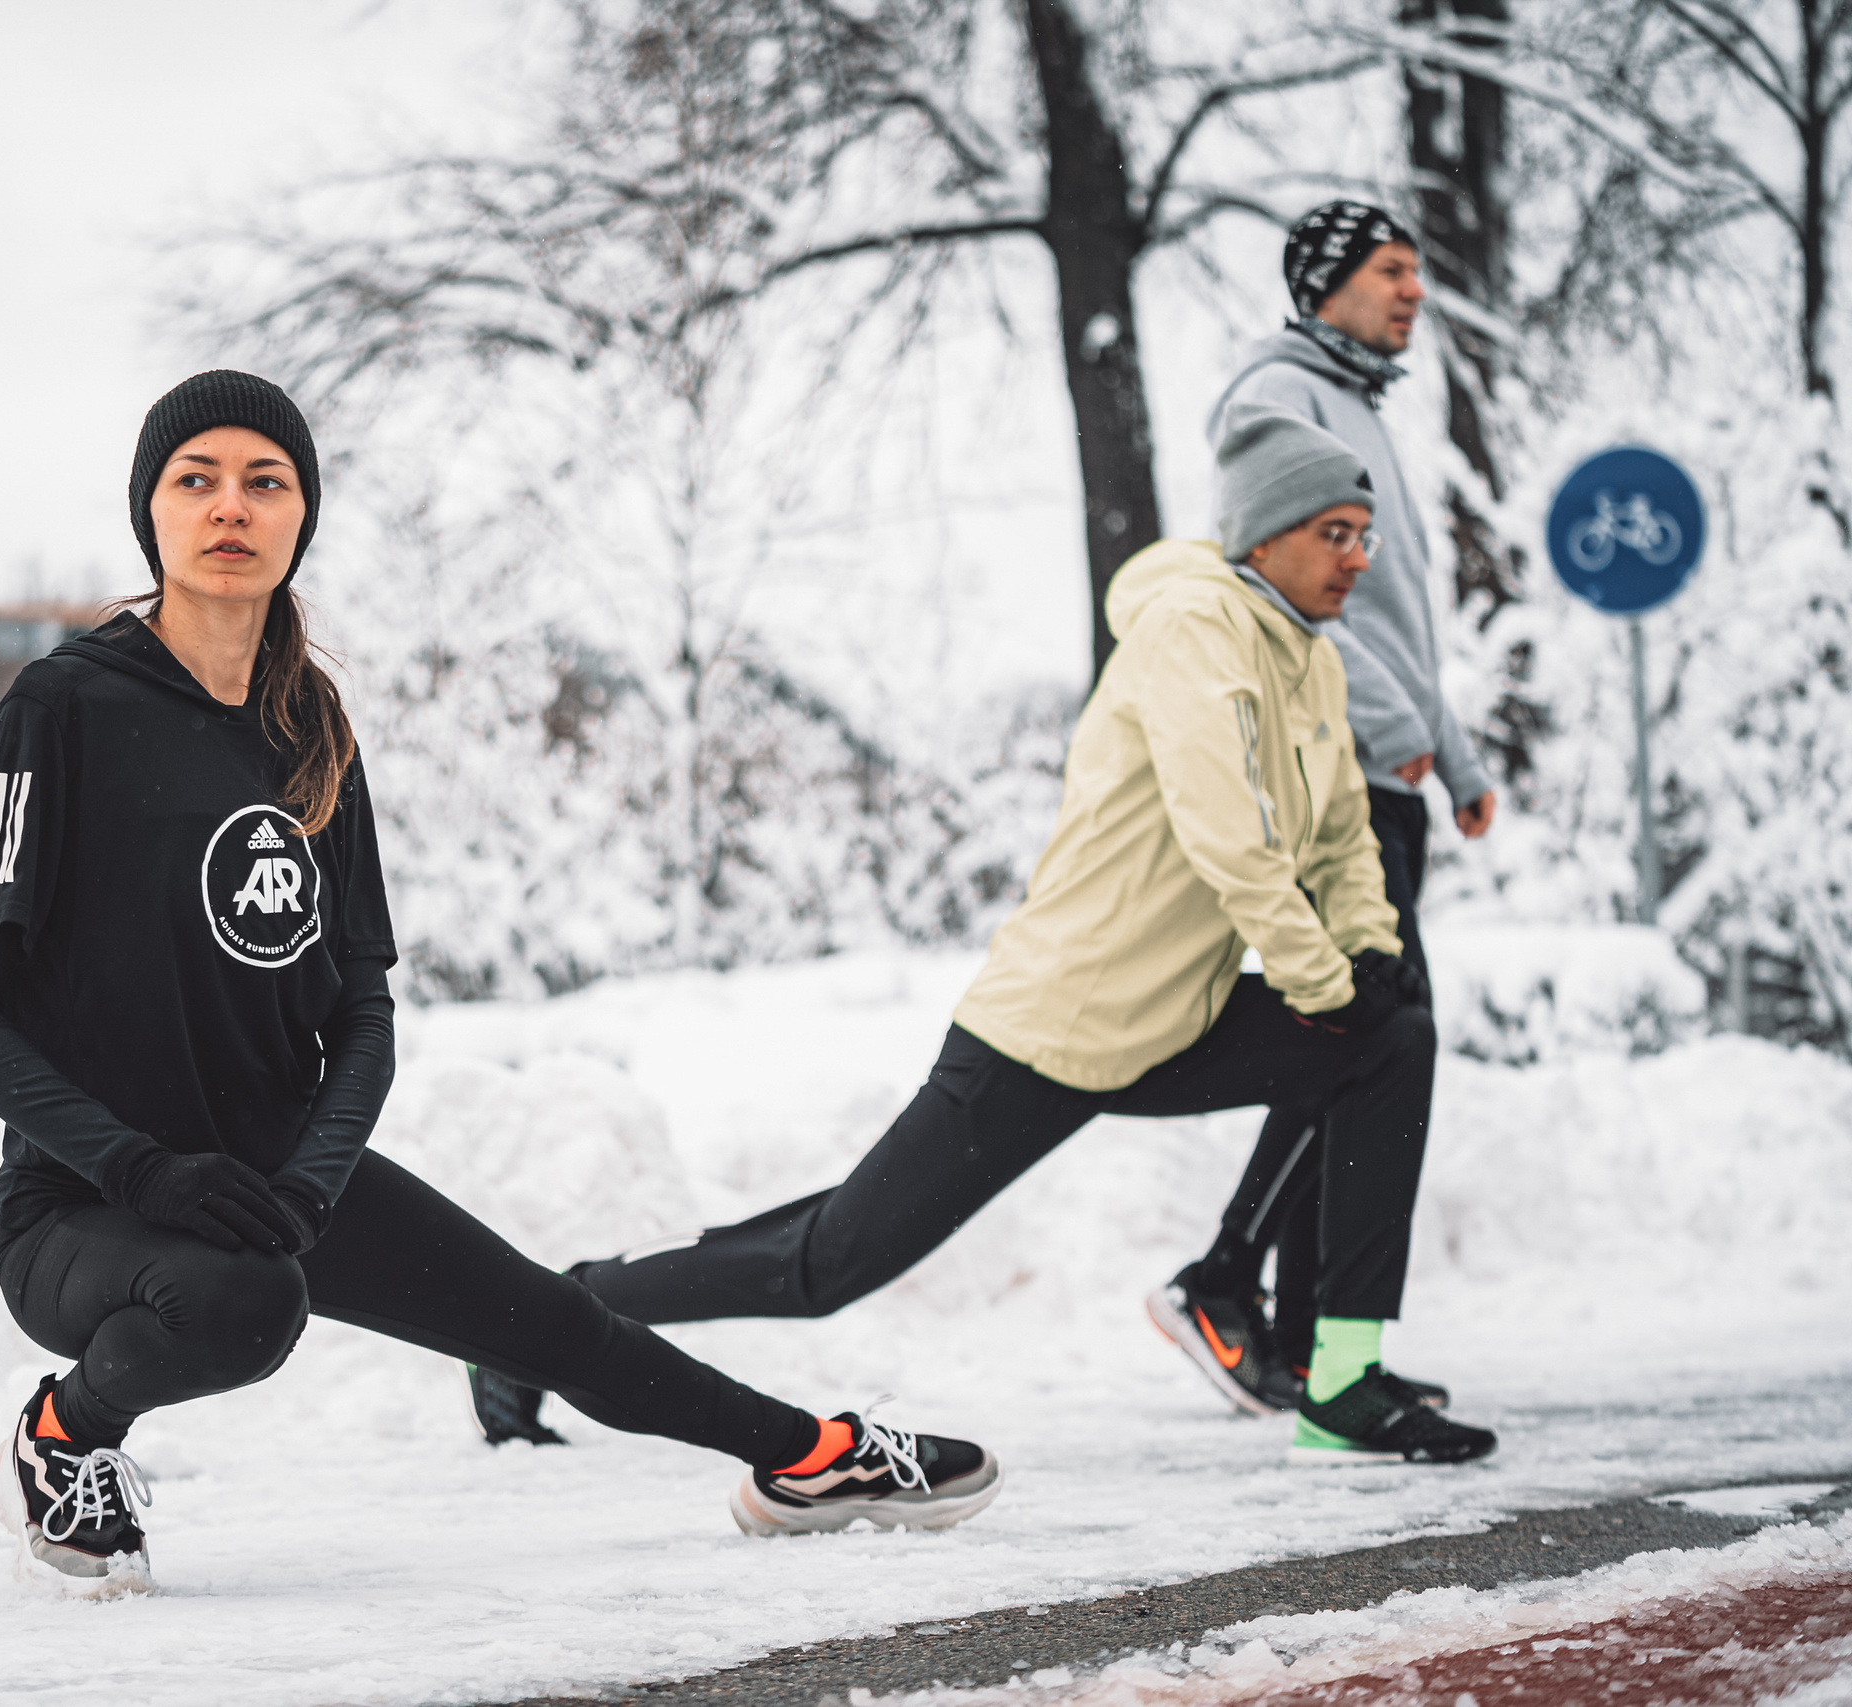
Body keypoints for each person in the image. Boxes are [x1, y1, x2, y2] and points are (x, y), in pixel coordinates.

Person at [0, 370, 1000, 1595]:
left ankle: (810, 1458)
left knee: (552, 1323)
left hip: (272, 1181)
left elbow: (361, 1007)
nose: (231, 506)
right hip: (84, 1208)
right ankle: (59, 1440)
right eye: (196, 479)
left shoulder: (307, 724)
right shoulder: (61, 706)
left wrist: (313, 1182)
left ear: (299, 516)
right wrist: (140, 1166)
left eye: (264, 482)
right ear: (150, 513)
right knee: (244, 1306)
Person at [471, 406, 1499, 1469]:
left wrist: (1367, 955)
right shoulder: (1193, 630)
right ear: (1264, 535)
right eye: (1333, 531)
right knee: (827, 1266)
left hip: (1173, 1020)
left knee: (1393, 1040)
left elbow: (1336, 838)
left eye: (1363, 535)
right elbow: (1227, 836)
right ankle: (545, 1317)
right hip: (1055, 1024)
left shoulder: (1312, 664)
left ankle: (1339, 1385)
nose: (1356, 557)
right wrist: (1321, 983)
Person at [1147, 203, 1497, 1419]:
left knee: (1370, 1037)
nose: (1410, 292)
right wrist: (1403, 743)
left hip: (1387, 761)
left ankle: (1297, 1329)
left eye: (1414, 272)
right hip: (1341, 769)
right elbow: (1298, 598)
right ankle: (1229, 1284)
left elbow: (1393, 614)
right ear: (1324, 283)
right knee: (1367, 1033)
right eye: (1388, 272)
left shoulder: (1359, 407)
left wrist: (1454, 756)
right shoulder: (1276, 399)